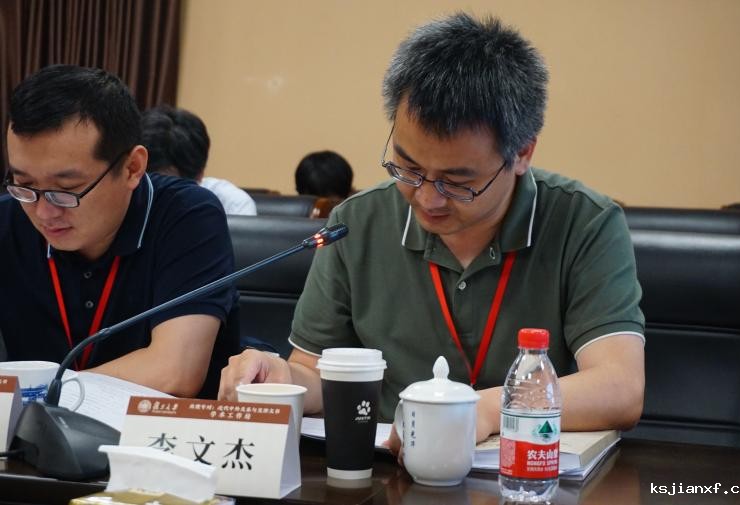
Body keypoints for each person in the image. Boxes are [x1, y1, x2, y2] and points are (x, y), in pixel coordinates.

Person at [218, 13, 645, 450]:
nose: (427, 198)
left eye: (457, 182)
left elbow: (620, 387)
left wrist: (482, 410)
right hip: (391, 469)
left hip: (529, 473)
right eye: (408, 167)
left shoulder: (584, 222)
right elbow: (316, 374)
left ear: (521, 153)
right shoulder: (357, 224)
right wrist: (279, 377)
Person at [1, 65, 239, 399]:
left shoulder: (187, 214)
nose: (43, 212)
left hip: (158, 428)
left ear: (132, 168)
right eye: (24, 184)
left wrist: (38, 393)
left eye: (66, 189)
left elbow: (174, 372)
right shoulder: (9, 219)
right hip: (37, 429)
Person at [142, 105, 257, 216]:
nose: (156, 196)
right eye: (150, 183)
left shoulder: (233, 206)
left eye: (169, 187)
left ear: (200, 176)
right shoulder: (134, 196)